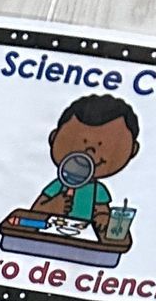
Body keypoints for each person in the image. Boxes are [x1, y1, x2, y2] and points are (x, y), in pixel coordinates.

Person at [30, 92, 139, 243]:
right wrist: (52, 206)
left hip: (83, 238)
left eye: (104, 145)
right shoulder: (60, 184)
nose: (90, 151)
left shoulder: (97, 190)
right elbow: (34, 212)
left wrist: (102, 219)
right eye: (82, 141)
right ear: (54, 138)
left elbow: (101, 211)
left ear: (132, 150)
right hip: (50, 234)